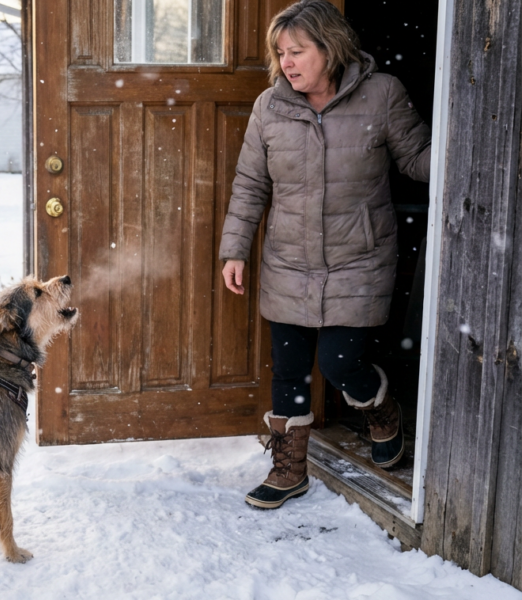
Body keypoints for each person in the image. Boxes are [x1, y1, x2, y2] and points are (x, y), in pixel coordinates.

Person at [218, 0, 431, 510]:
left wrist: (476, 150)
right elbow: (250, 184)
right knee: (289, 370)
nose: (287, 63)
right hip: (289, 258)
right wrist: (235, 249)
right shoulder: (271, 106)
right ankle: (290, 468)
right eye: (281, 53)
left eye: (298, 51)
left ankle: (381, 410)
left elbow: (419, 159)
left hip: (359, 255)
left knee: (339, 362)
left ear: (329, 47)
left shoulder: (381, 96)